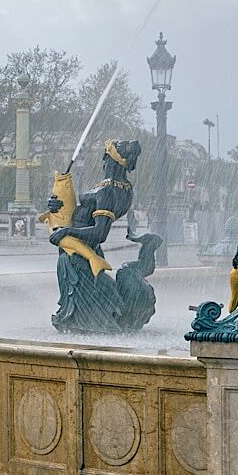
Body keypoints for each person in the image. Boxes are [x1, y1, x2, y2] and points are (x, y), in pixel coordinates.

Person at [46, 140, 157, 332]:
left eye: (105, 157)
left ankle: (93, 325)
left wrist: (66, 231)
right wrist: (56, 207)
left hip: (80, 255)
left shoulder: (107, 191)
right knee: (80, 311)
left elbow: (99, 233)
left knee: (83, 317)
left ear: (110, 160)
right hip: (80, 251)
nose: (103, 162)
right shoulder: (120, 189)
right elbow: (82, 214)